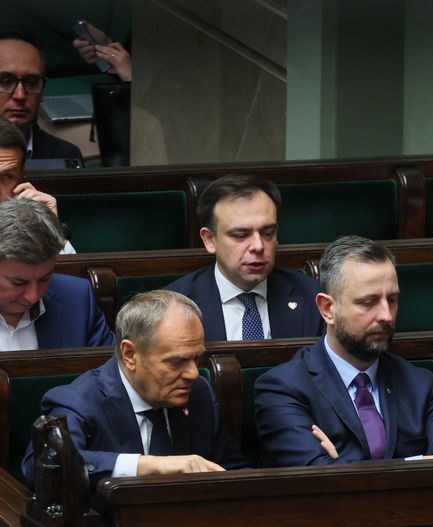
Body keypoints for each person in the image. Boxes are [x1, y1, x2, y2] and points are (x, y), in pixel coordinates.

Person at [255, 235, 433, 466]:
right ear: (328, 308)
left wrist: (341, 463)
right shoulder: (283, 388)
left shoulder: (420, 384)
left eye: (392, 300)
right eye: (367, 302)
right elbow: (319, 484)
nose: (386, 316)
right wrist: (423, 462)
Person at [21, 290, 248, 521]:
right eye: (176, 361)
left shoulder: (200, 393)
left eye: (196, 358)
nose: (192, 373)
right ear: (130, 354)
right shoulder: (80, 400)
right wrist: (149, 466)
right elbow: (44, 466)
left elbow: (234, 472)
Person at [166, 174, 324, 341]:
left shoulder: (313, 297)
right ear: (209, 239)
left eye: (268, 233)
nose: (258, 246)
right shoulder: (175, 307)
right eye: (240, 235)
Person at [0, 199, 111, 351]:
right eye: (19, 283)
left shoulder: (76, 299)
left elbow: (110, 369)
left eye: (45, 279)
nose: (33, 296)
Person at [0, 27, 83, 163]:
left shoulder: (65, 156)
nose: (20, 95)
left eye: (32, 82)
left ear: (43, 90)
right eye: (6, 81)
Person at [0, 117, 75, 253]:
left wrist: (52, 230)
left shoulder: (26, 226)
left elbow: (66, 272)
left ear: (21, 177)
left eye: (7, 176)